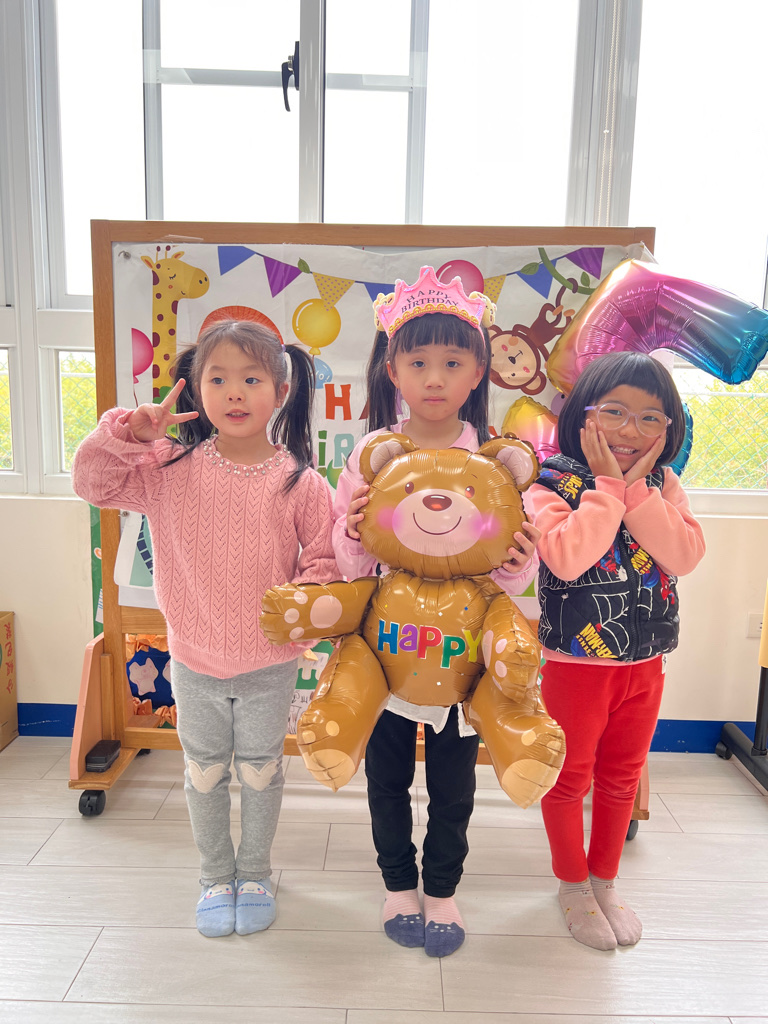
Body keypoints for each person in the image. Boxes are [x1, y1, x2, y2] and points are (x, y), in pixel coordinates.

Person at [72, 320, 338, 938]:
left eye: (251, 379)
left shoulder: (302, 481)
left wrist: (297, 629)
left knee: (262, 771)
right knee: (205, 771)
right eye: (217, 379)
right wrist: (128, 432)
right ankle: (216, 876)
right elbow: (93, 483)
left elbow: (324, 565)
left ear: (280, 390)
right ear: (195, 388)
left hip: (270, 665)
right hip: (193, 660)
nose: (234, 392)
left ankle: (256, 873)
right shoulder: (167, 465)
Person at [333, 266, 541, 957]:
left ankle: (443, 891)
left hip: (460, 660)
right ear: (392, 369)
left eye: (452, 363)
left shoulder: (494, 458)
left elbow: (515, 572)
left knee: (453, 788)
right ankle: (398, 884)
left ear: (478, 371)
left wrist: (520, 560)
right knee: (387, 780)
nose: (434, 378)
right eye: (418, 362)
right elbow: (350, 564)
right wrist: (352, 531)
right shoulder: (372, 455)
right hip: (389, 653)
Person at [525, 350, 705, 951]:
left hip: (646, 663)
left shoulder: (663, 485)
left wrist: (638, 494)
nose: (631, 430)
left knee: (622, 776)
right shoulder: (550, 483)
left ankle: (603, 881)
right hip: (575, 668)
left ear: (669, 429)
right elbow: (568, 558)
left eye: (651, 418)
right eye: (615, 412)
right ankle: (572, 884)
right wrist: (607, 489)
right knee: (569, 777)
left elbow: (683, 556)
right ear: (584, 415)